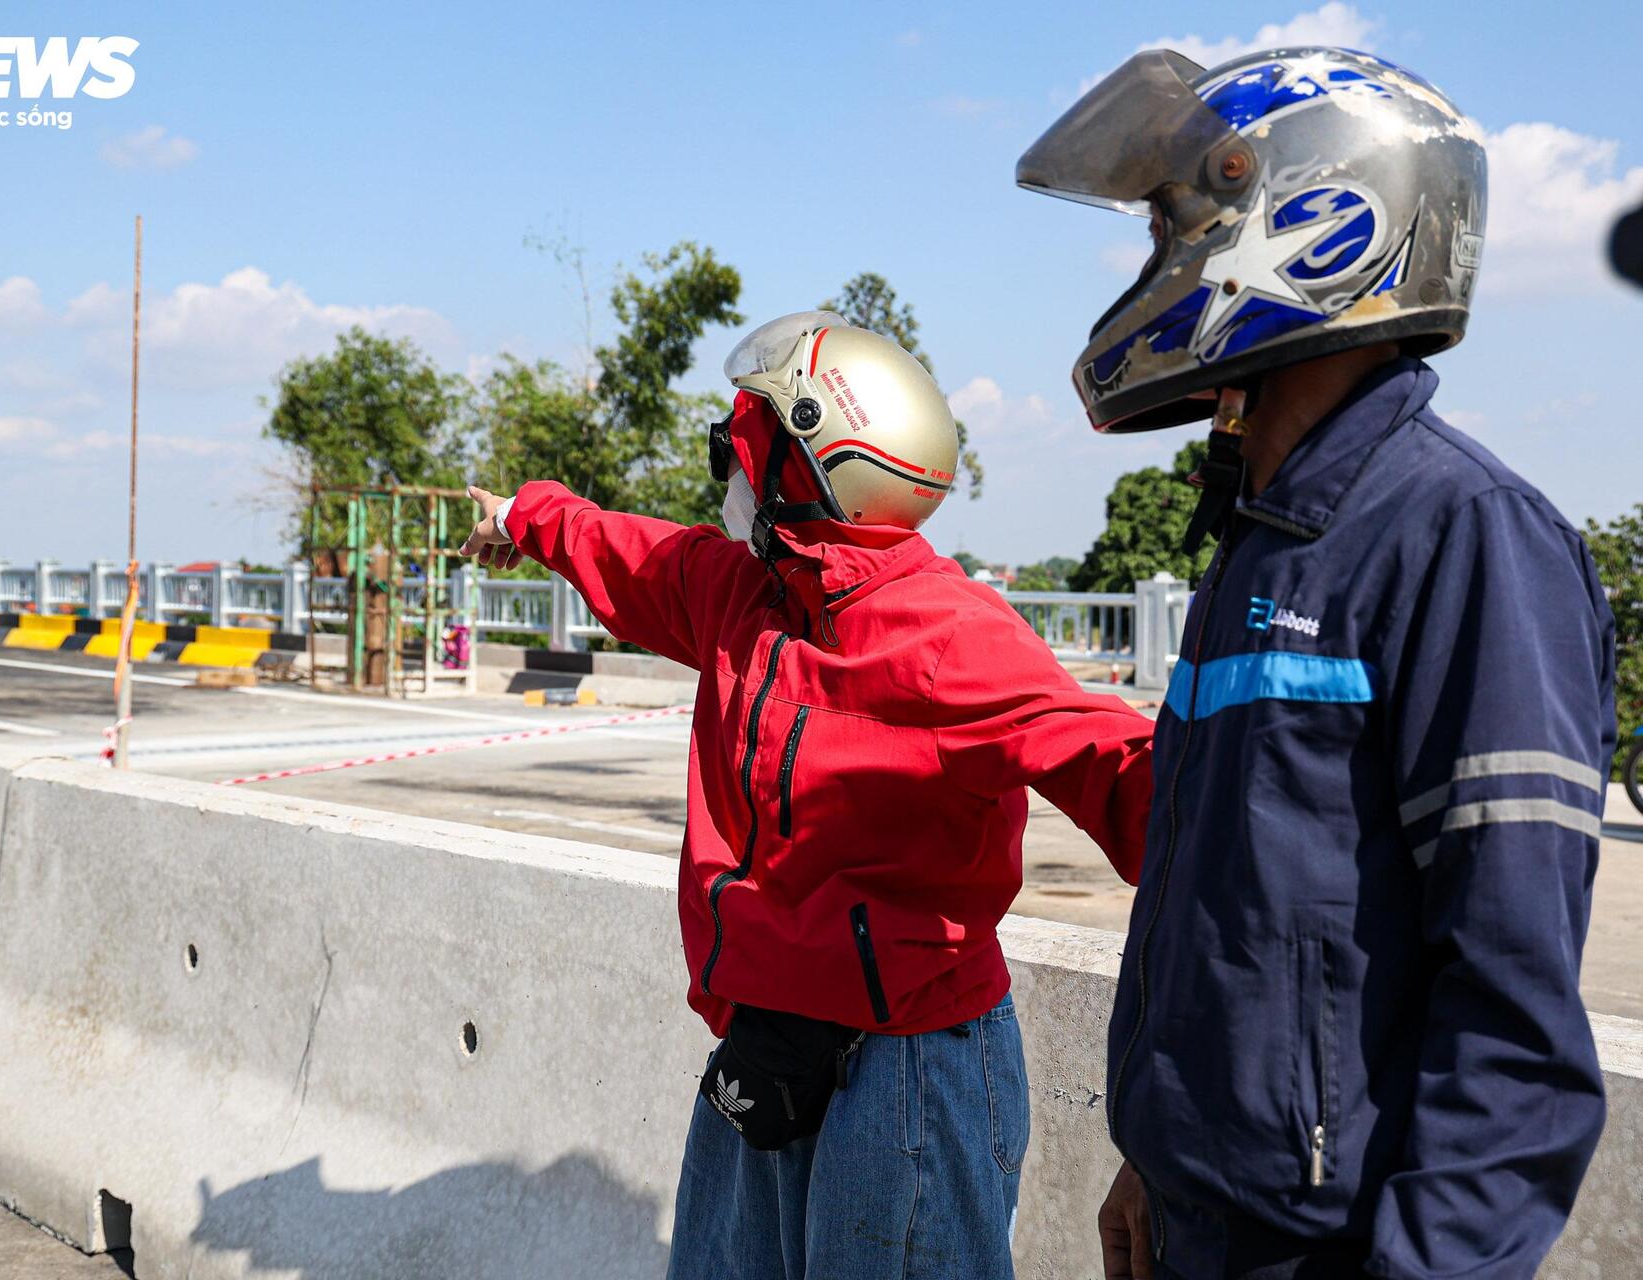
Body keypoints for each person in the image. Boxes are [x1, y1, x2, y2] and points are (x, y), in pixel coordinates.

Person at [1016, 45, 1617, 1279]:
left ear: (1311, 218)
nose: (1157, 263)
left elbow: (1514, 1024)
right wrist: (1165, 1158)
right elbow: (1245, 913)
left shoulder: (1467, 538)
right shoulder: (1267, 542)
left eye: (1177, 223)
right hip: (1205, 1231)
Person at [459, 313, 1156, 1279]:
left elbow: (1135, 783)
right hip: (767, 1040)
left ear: (809, 466)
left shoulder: (950, 635)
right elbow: (623, 549)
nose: (734, 474)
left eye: (747, 448)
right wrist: (523, 518)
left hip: (910, 1067)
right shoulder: (743, 595)